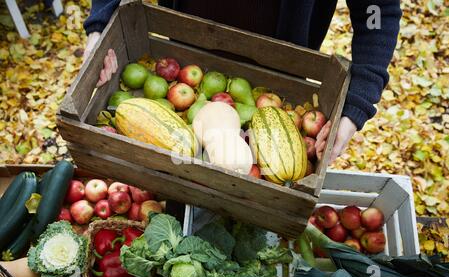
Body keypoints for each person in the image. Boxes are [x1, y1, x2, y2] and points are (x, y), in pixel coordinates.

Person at [82, 0, 402, 162]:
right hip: (183, 58)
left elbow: (376, 9)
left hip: (278, 77)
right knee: (177, 173)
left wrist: (358, 100)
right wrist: (102, 22)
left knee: (253, 190)